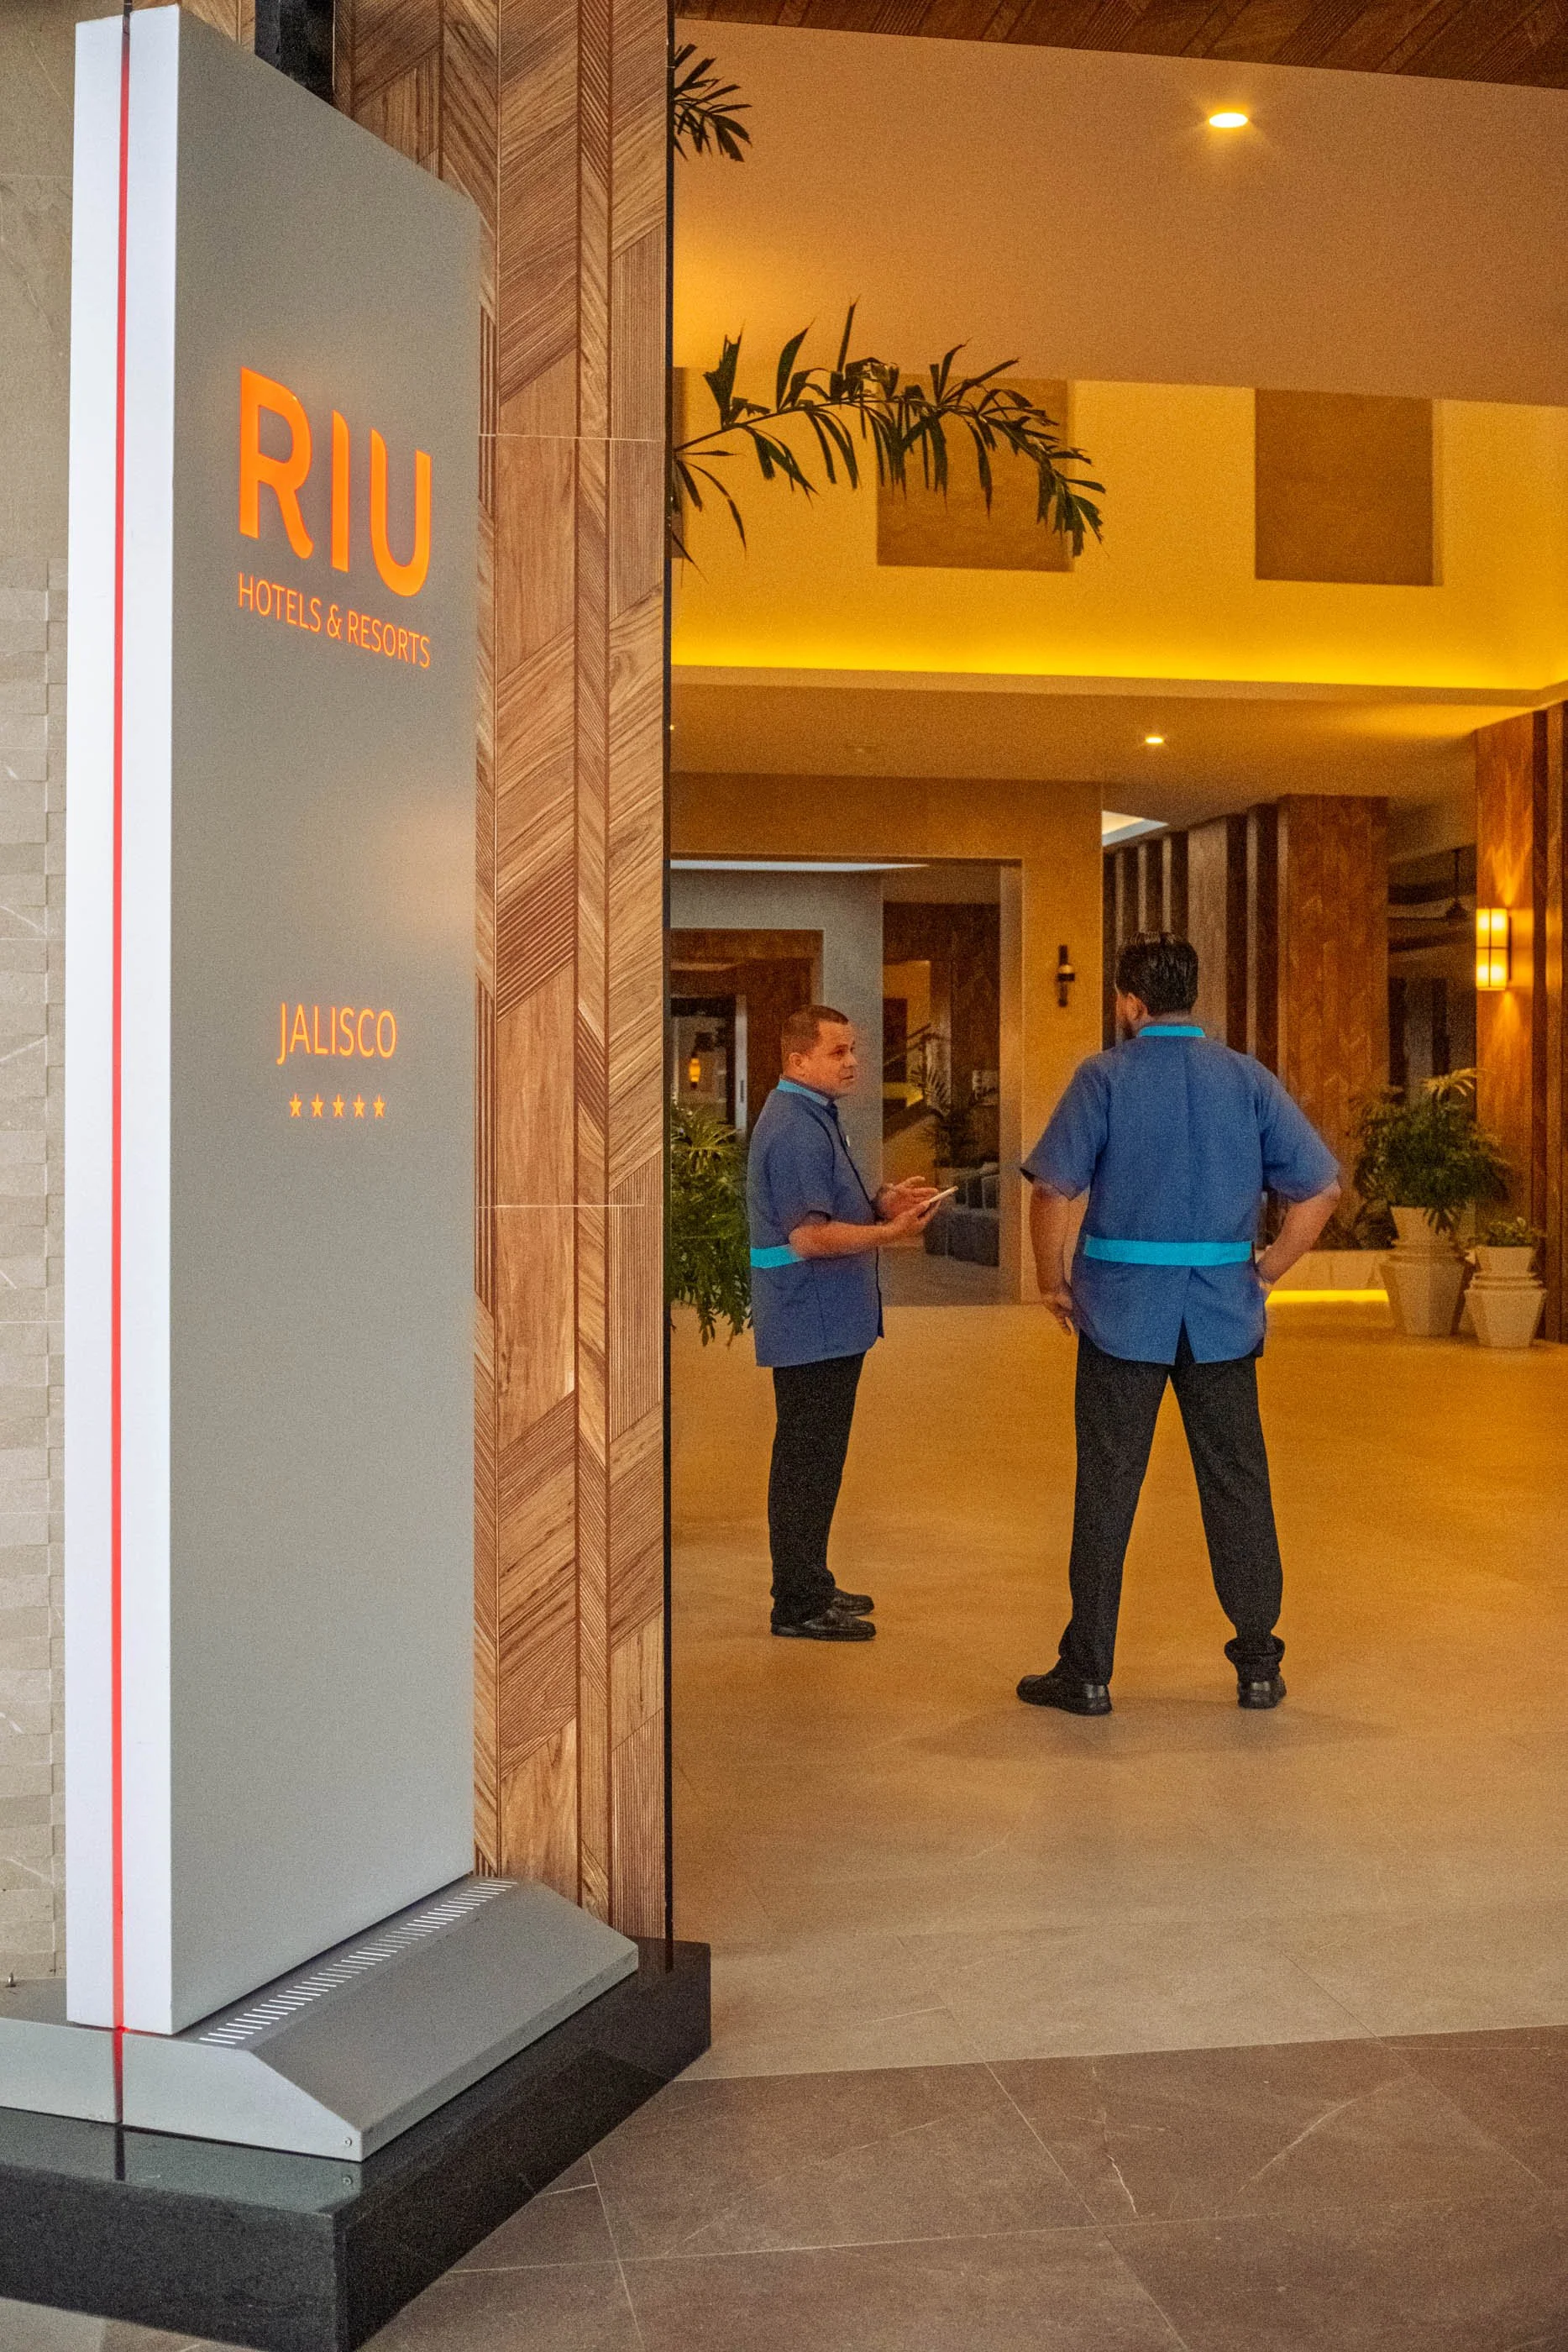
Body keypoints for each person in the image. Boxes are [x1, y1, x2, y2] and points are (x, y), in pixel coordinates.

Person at [1017, 932, 1340, 1716]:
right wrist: (1262, 1274)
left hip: (1120, 1313)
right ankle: (1258, 1662)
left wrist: (1051, 1280)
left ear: (1129, 1001)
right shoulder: (1246, 1079)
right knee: (1237, 1484)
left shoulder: (1103, 1077)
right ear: (1192, 995)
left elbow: (1053, 1192)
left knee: (1107, 1488)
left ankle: (1087, 1670)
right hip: (1221, 1319)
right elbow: (1319, 1191)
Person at [747, 1005, 941, 1641]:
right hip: (811, 1318)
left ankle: (809, 1579)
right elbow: (808, 1237)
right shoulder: (797, 1129)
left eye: (852, 1048)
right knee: (807, 1458)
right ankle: (797, 1603)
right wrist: (889, 1231)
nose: (852, 1060)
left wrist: (882, 1199)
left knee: (818, 1456)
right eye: (836, 1052)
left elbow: (828, 1204)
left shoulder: (813, 1116)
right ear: (797, 1060)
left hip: (826, 1319)